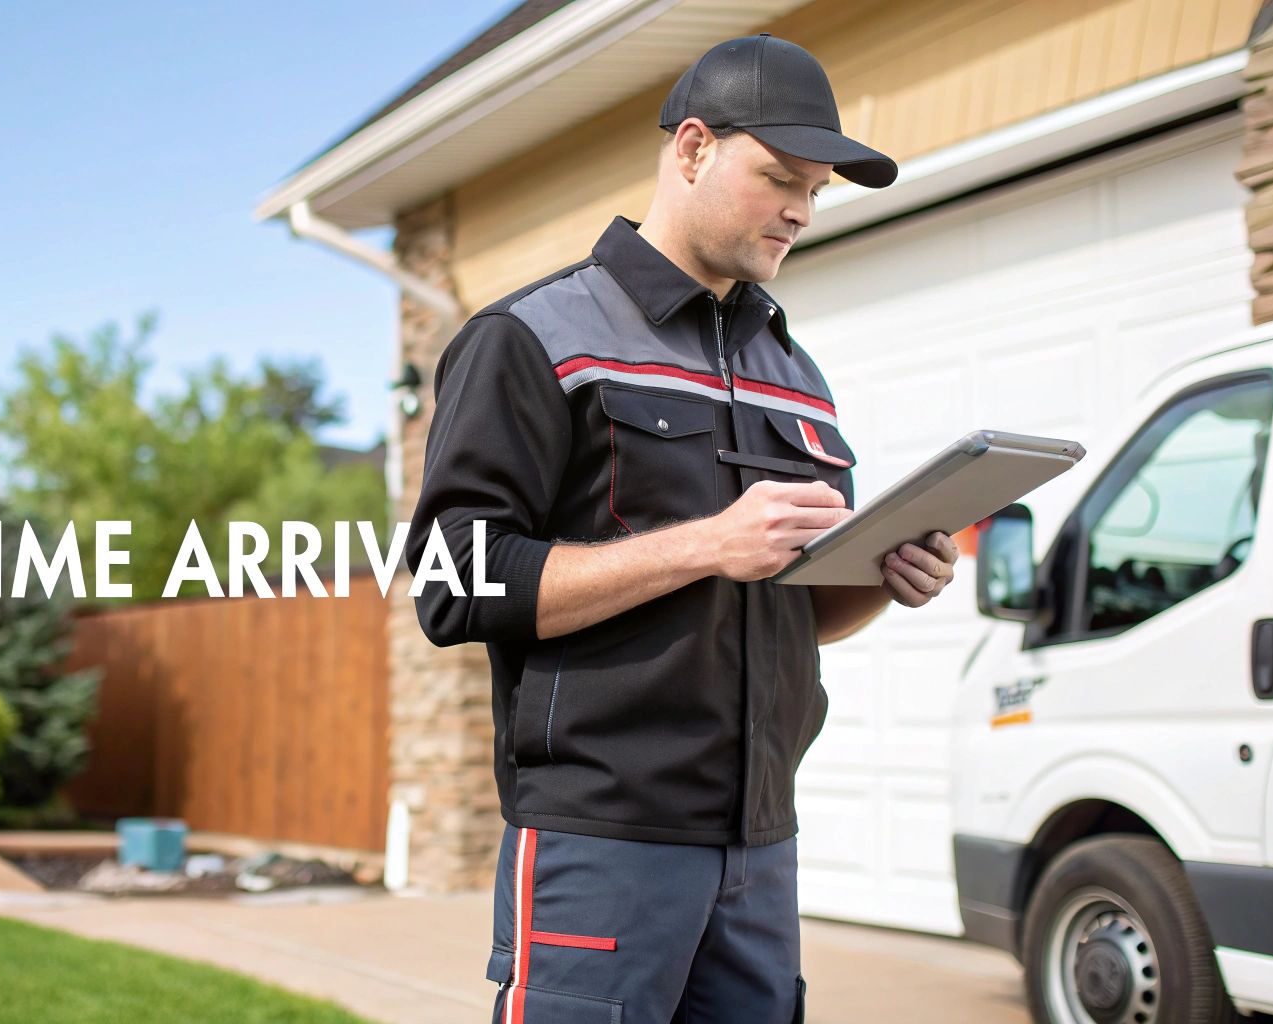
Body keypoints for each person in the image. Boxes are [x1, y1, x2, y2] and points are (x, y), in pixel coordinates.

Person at [403, 33, 962, 1024]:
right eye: (778, 177)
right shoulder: (531, 340)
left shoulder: (797, 376)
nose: (798, 208)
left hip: (760, 846)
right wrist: (704, 541)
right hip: (601, 840)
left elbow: (792, 610)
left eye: (816, 190)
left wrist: (881, 573)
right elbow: (454, 584)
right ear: (693, 148)